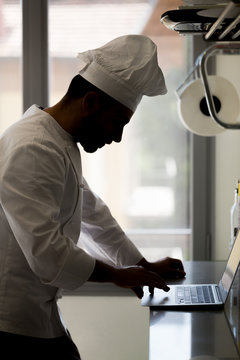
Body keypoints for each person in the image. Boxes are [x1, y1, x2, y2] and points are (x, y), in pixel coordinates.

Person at [0, 35, 185, 359]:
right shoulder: (32, 147)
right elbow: (48, 253)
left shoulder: (56, 140)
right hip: (11, 324)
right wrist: (119, 276)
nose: (117, 137)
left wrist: (140, 266)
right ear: (89, 103)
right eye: (118, 123)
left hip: (35, 316)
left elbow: (91, 213)